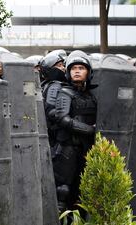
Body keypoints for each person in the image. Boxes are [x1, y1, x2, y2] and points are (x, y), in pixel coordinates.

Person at [52, 50, 97, 211]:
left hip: (86, 150)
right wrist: (90, 130)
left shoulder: (91, 96)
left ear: (88, 72)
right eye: (73, 68)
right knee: (63, 191)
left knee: (84, 192)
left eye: (81, 68)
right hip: (67, 150)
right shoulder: (64, 93)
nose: (77, 71)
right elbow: (62, 119)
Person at [39, 50, 68, 148]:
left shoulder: (47, 84)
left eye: (62, 65)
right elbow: (51, 111)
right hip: (56, 136)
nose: (63, 68)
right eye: (59, 65)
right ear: (50, 69)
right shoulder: (55, 85)